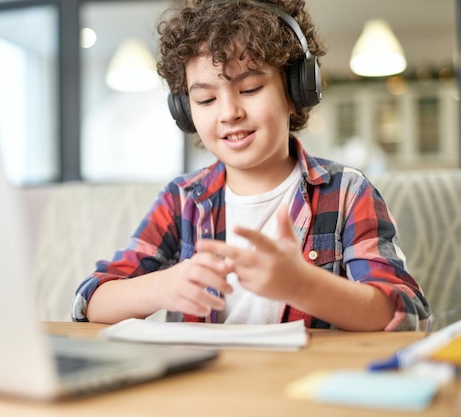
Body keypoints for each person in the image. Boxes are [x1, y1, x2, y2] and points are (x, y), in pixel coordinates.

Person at [72, 0, 431, 331]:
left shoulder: (348, 192)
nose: (229, 113)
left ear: (296, 91)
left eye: (250, 89)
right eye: (207, 98)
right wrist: (160, 287)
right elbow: (91, 301)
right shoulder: (181, 200)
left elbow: (405, 314)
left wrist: (303, 285)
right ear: (186, 111)